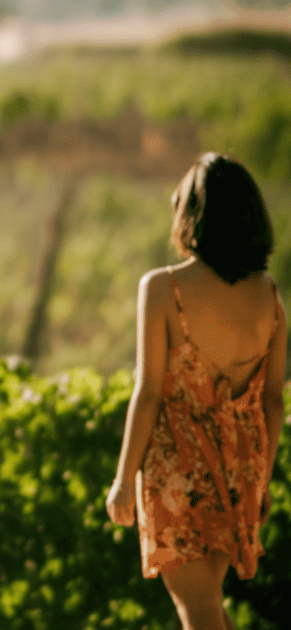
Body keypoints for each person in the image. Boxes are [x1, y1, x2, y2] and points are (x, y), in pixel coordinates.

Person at [106, 152, 286, 630]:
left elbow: (148, 392)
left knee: (198, 608)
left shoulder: (163, 287)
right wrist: (262, 479)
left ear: (192, 215)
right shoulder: (269, 295)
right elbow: (272, 401)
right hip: (242, 468)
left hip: (177, 466)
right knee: (206, 604)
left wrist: (124, 479)